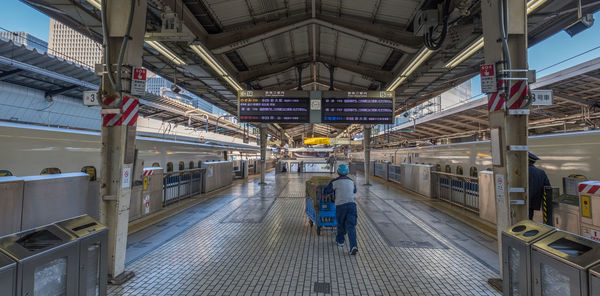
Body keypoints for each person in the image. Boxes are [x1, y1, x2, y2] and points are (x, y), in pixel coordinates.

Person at [324, 164, 358, 255]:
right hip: (352, 205)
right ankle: (353, 246)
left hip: (341, 206)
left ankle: (341, 241)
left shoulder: (334, 182)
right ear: (347, 172)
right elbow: (354, 191)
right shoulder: (351, 181)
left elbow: (326, 191)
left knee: (340, 224)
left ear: (338, 172)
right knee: (351, 226)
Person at [528, 152, 550, 220]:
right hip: (532, 204)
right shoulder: (540, 172)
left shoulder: (520, 171)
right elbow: (548, 187)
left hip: (519, 203)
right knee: (528, 221)